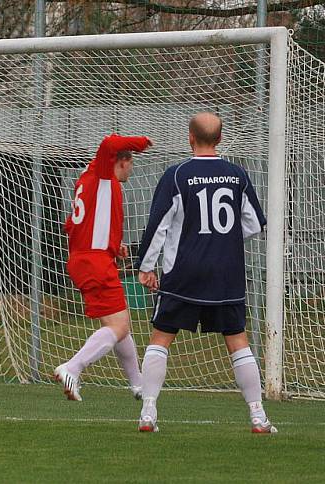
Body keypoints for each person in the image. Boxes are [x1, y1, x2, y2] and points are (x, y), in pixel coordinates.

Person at [135, 112, 276, 433]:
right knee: (238, 340)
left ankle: (148, 413)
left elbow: (158, 224)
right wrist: (222, 239)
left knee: (161, 337)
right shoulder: (236, 174)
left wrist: (145, 267)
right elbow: (255, 223)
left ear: (190, 137)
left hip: (183, 271)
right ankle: (258, 416)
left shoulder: (177, 174)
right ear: (221, 139)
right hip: (226, 273)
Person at [54, 133, 152, 401]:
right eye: (131, 162)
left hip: (88, 258)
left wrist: (112, 246)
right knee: (119, 327)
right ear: (121, 161)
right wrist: (141, 142)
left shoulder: (88, 179)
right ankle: (72, 367)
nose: (132, 169)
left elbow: (76, 224)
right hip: (94, 261)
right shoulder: (102, 171)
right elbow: (109, 143)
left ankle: (139, 386)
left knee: (119, 326)